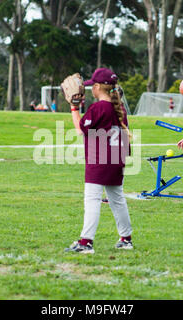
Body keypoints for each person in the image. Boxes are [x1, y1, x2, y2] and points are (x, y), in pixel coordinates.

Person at [64, 68, 133, 253]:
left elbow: (80, 129)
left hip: (100, 159)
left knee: (92, 199)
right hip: (117, 159)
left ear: (96, 87)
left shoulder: (99, 107)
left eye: (91, 87)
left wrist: (74, 107)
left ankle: (86, 243)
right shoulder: (119, 109)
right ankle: (126, 239)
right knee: (117, 199)